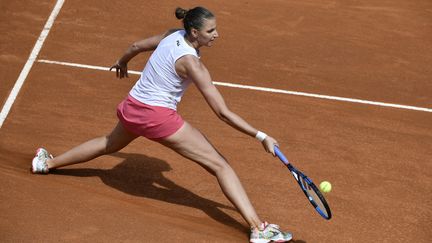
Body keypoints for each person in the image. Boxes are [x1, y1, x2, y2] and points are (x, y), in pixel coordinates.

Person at [31, 6, 292, 243]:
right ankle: (258, 228)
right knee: (220, 165)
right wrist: (261, 136)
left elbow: (135, 46)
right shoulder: (193, 65)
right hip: (159, 118)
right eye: (210, 30)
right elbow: (222, 113)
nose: (216, 35)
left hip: (133, 109)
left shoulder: (171, 35)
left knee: (108, 143)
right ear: (194, 31)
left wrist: (122, 62)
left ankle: (47, 164)